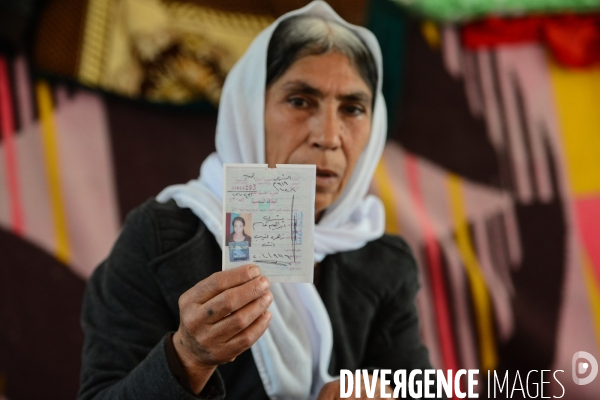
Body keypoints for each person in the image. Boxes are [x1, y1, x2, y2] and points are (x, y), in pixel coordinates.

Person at [78, 2, 437, 399]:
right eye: (300, 101)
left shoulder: (380, 260)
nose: (329, 136)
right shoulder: (163, 239)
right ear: (249, 111)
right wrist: (188, 358)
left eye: (353, 109)